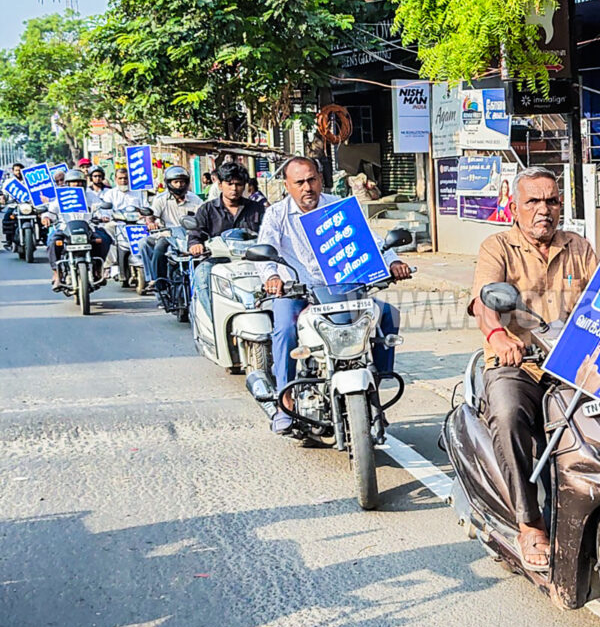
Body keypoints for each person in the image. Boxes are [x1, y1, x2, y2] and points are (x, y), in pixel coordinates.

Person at [468, 166, 600, 570]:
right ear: (515, 205)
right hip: (519, 363)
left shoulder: (579, 247)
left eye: (552, 201)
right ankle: (530, 523)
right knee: (508, 416)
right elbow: (484, 303)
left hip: (570, 366)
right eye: (534, 201)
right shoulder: (498, 247)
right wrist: (498, 337)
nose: (544, 209)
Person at [257, 156, 412, 435]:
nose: (307, 188)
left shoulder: (338, 208)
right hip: (298, 291)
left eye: (312, 180)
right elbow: (265, 250)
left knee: (387, 314)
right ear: (287, 186)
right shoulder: (276, 215)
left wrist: (391, 261)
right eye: (300, 182)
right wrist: (272, 277)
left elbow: (369, 241)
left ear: (321, 179)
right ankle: (284, 400)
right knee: (284, 330)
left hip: (341, 290)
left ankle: (375, 387)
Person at [188, 161, 265, 322]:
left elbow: (268, 233)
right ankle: (215, 322)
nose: (234, 189)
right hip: (218, 261)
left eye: (238, 184)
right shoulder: (207, 209)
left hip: (253, 261)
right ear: (220, 185)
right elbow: (196, 233)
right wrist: (196, 244)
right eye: (229, 184)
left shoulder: (258, 209)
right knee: (201, 275)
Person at [40, 168, 112, 290]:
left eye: (80, 181)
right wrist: (46, 217)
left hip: (89, 228)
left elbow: (101, 209)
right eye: (74, 182)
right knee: (52, 242)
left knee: (105, 239)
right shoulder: (61, 196)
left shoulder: (91, 196)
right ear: (68, 183)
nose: (77, 184)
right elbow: (51, 211)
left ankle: (97, 269)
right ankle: (57, 273)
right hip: (65, 229)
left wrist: (104, 217)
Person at [140, 166, 202, 291]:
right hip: (167, 235)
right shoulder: (160, 199)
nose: (179, 185)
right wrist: (151, 223)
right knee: (156, 248)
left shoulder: (195, 199)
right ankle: (158, 281)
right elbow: (151, 216)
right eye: (176, 182)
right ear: (169, 183)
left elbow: (203, 217)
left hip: (189, 236)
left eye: (182, 182)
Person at [2, 163, 23, 250]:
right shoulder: (9, 182)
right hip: (13, 205)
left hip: (27, 206)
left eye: (20, 170)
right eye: (16, 170)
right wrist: (3, 198)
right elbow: (4, 194)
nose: (18, 172)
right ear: (13, 171)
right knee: (7, 218)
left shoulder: (28, 181)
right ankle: (9, 240)